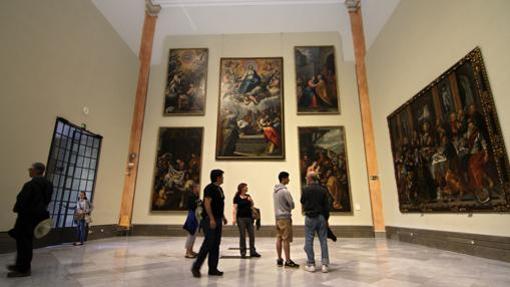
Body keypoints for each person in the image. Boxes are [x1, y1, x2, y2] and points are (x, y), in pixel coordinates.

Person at [7, 162, 53, 278]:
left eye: (30, 169)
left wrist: (16, 208)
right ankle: (20, 265)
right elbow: (47, 200)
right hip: (38, 217)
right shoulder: (48, 184)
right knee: (27, 242)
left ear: (36, 170)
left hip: (27, 217)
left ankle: (23, 269)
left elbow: (22, 200)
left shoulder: (30, 184)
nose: (29, 170)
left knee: (23, 243)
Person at [191, 169, 228, 278]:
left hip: (217, 218)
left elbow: (219, 205)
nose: (223, 178)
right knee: (208, 243)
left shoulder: (219, 189)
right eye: (222, 176)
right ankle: (196, 267)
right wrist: (211, 219)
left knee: (216, 244)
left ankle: (212, 268)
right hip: (209, 219)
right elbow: (207, 204)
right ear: (218, 177)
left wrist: (223, 217)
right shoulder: (209, 188)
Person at [301, 172, 330, 273]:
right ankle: (324, 265)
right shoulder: (323, 190)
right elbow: (327, 206)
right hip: (321, 216)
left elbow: (302, 201)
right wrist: (326, 219)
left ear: (309, 179)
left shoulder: (305, 189)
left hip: (309, 217)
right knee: (323, 240)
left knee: (309, 240)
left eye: (306, 178)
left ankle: (311, 264)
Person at [273, 172, 299, 268]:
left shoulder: (275, 191)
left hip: (277, 217)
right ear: (283, 178)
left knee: (279, 238)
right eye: (288, 178)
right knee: (286, 239)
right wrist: (289, 207)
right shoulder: (285, 191)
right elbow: (292, 205)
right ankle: (288, 261)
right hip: (285, 217)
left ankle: (279, 259)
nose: (289, 180)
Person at [233, 183, 261, 258]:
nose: (247, 188)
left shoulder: (248, 196)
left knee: (252, 235)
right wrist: (234, 219)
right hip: (241, 218)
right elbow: (235, 209)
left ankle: (253, 251)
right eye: (245, 187)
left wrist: (251, 201)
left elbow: (252, 206)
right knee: (242, 235)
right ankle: (243, 252)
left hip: (249, 218)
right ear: (241, 188)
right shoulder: (236, 197)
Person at [183, 183, 201, 258]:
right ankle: (188, 252)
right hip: (192, 215)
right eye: (198, 188)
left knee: (194, 234)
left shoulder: (196, 196)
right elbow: (191, 206)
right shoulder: (191, 196)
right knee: (191, 233)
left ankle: (191, 250)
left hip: (196, 215)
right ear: (194, 188)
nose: (199, 189)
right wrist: (198, 203)